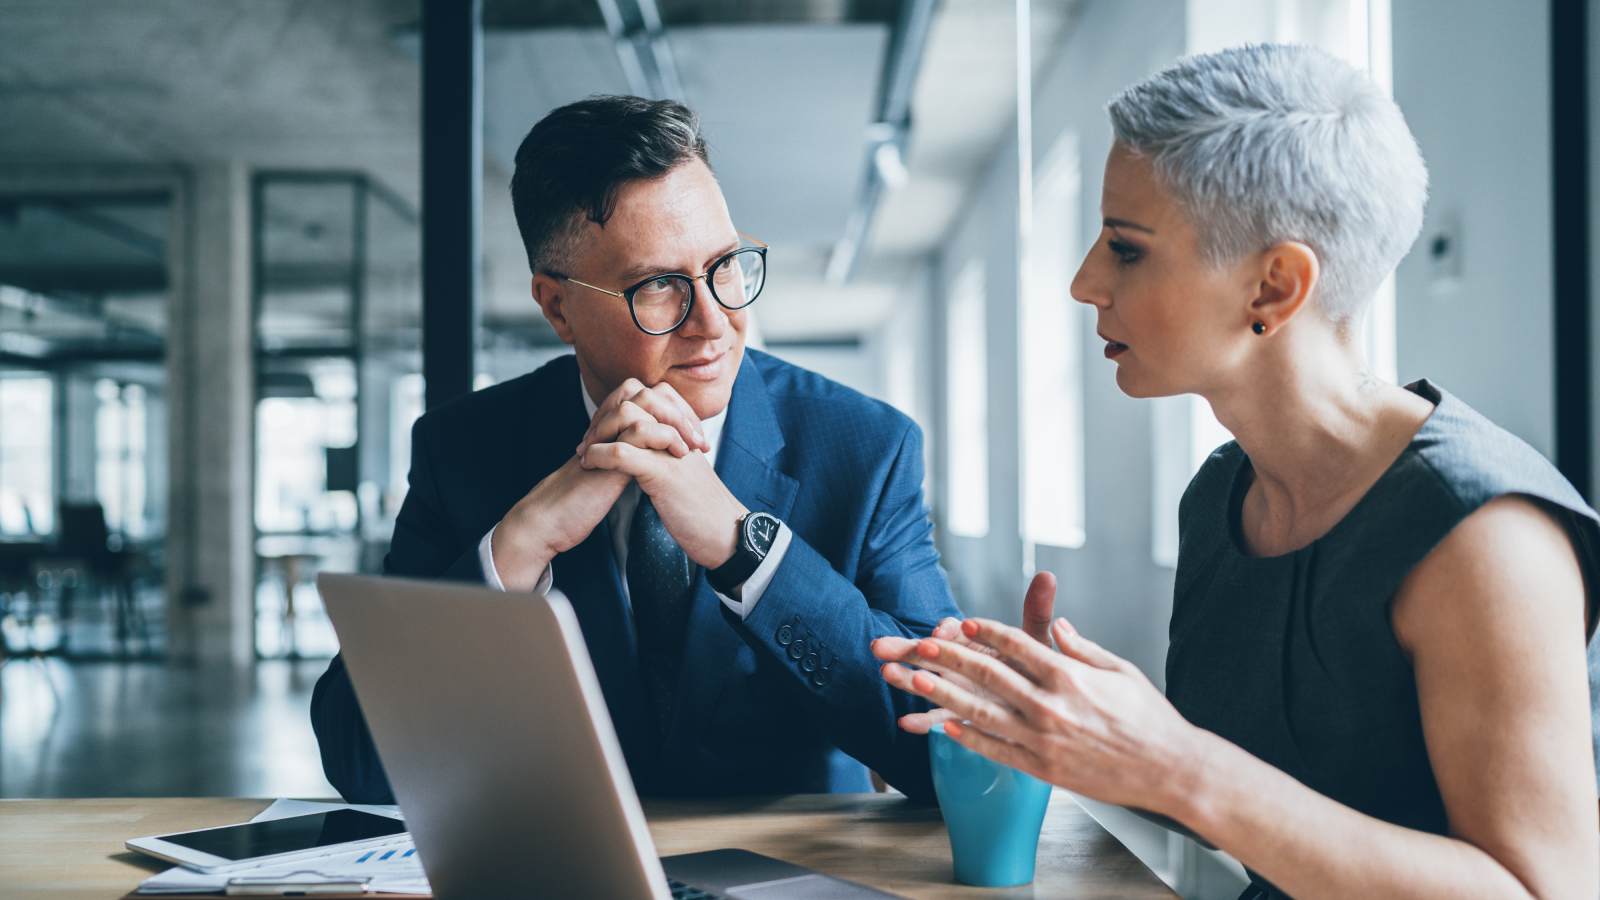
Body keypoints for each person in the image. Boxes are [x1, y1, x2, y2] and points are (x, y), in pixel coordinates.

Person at [873, 44, 1600, 898]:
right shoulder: (1223, 495)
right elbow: (1242, 809)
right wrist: (1062, 717)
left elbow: (1546, 891)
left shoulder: (1484, 538)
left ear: (1274, 287)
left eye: (1126, 249)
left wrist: (1173, 761)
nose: (1083, 284)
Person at [314, 95, 963, 804]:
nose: (715, 323)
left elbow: (944, 749)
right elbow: (359, 760)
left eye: (726, 264)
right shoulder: (463, 449)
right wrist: (519, 546)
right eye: (659, 287)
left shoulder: (867, 448)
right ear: (557, 307)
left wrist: (746, 550)